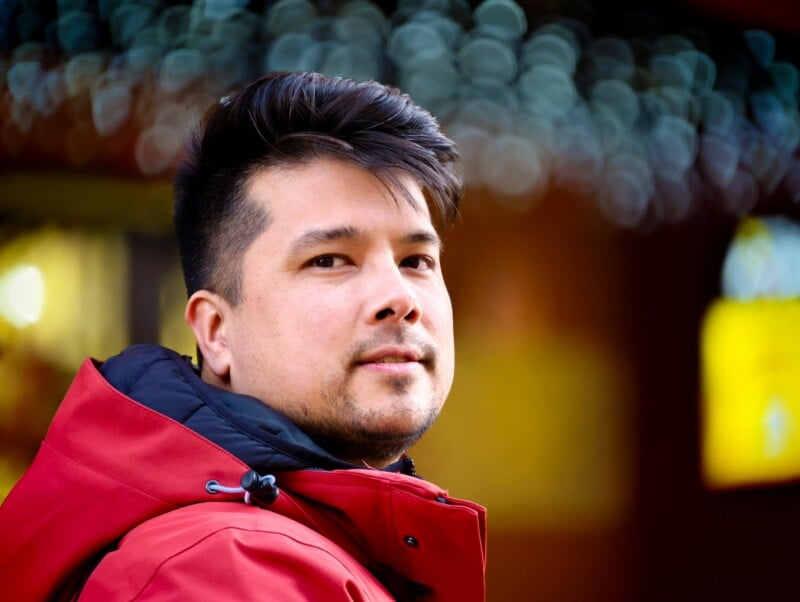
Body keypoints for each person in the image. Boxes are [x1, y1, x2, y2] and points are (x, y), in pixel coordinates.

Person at [0, 71, 487, 600]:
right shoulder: (223, 572)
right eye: (329, 260)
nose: (401, 298)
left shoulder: (303, 546)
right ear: (216, 332)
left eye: (416, 260)